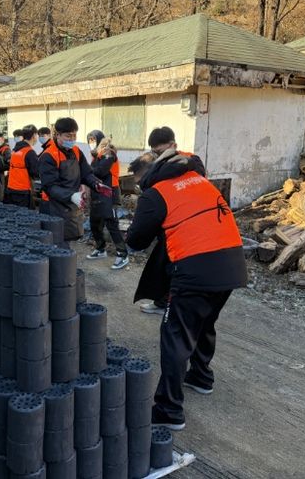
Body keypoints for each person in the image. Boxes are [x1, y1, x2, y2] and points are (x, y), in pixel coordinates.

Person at [125, 131, 247, 432]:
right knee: (204, 322)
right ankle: (201, 377)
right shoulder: (198, 180)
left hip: (195, 269)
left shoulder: (156, 193)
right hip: (232, 264)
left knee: (175, 335)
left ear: (147, 175)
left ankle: (169, 409)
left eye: (139, 182)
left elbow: (136, 240)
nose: (141, 187)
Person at [134, 127, 206, 316]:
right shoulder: (159, 166)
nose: (157, 155)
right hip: (168, 219)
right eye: (154, 152)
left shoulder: (190, 160)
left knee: (178, 267)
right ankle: (162, 303)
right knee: (164, 265)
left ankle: (175, 307)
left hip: (187, 221)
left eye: (160, 151)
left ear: (173, 145)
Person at [38, 117, 112, 248]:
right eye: (68, 136)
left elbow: (86, 173)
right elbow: (50, 186)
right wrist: (71, 195)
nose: (72, 139)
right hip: (53, 206)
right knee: (56, 242)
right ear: (57, 135)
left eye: (74, 135)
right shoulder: (48, 155)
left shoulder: (76, 151)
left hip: (72, 203)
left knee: (68, 238)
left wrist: (96, 184)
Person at [85, 130, 129, 270]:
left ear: (99, 140)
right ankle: (100, 248)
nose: (91, 143)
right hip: (98, 194)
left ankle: (123, 254)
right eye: (89, 141)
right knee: (94, 223)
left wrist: (86, 170)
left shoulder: (109, 154)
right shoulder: (97, 156)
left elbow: (100, 172)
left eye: (93, 140)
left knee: (111, 225)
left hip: (109, 194)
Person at [5, 124, 39, 208]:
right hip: (23, 191)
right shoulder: (29, 152)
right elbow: (36, 173)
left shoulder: (15, 150)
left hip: (11, 188)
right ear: (34, 135)